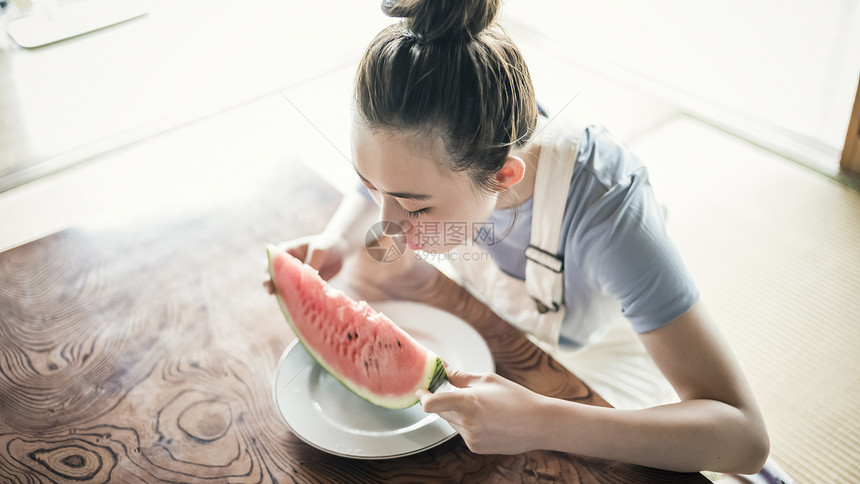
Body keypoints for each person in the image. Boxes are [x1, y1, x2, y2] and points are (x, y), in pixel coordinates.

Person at [272, 0, 784, 480]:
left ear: (503, 175)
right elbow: (391, 177)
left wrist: (541, 420)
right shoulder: (449, 140)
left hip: (600, 364)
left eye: (415, 207)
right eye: (369, 184)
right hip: (500, 335)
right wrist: (338, 236)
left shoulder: (610, 209)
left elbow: (743, 434)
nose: (387, 228)